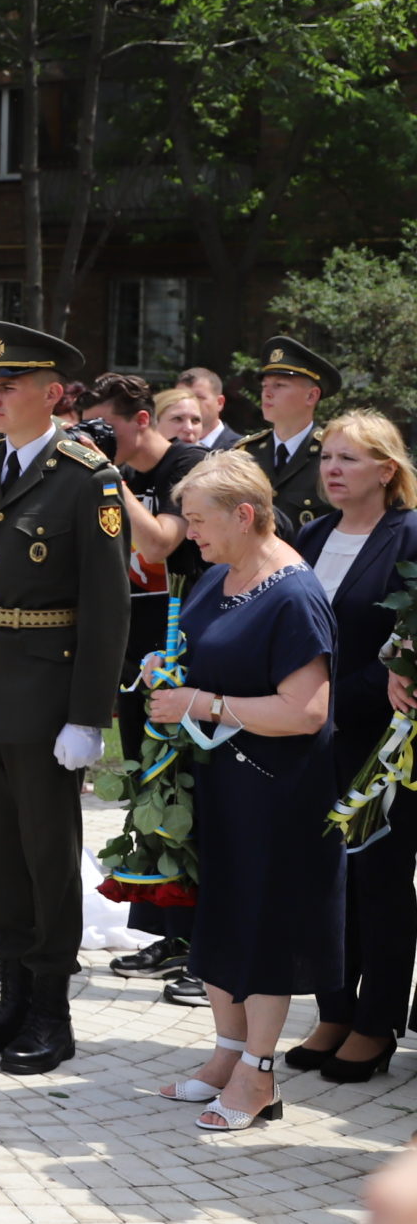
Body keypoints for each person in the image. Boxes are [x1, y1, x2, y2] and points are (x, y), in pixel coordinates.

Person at [0, 322, 129, 1076]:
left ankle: (51, 1009)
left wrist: (88, 715)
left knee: (48, 855)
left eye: (10, 385)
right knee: (0, 854)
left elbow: (108, 608)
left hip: (48, 693)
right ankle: (11, 994)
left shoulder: (89, 477)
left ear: (53, 395)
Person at [146, 450, 342, 1132]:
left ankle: (260, 1074)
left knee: (263, 929)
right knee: (223, 919)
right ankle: (226, 1055)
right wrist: (165, 670)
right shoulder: (219, 574)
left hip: (278, 793)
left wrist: (200, 701)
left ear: (246, 514)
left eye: (198, 519)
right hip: (225, 784)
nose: (187, 531)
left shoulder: (293, 593)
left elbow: (306, 710)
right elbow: (203, 651)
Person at [287, 412, 417, 1084]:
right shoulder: (313, 532)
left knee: (379, 881)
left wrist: (335, 700)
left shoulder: (411, 535)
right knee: (322, 880)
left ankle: (376, 1021)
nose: (332, 468)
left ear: (386, 470)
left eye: (350, 459)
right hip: (311, 737)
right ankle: (334, 1009)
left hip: (379, 738)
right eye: (327, 456)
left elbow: (405, 639)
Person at [78, 372, 213, 996]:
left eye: (108, 426)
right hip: (140, 652)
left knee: (191, 797)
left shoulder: (191, 466)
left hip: (194, 650)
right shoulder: (124, 474)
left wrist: (107, 475)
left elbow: (160, 542)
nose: (101, 440)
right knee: (150, 797)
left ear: (140, 420)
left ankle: (206, 951)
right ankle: (168, 935)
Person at [242, 337, 340, 534]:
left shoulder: (332, 453)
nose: (267, 393)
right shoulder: (245, 454)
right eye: (264, 386)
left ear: (311, 396)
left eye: (279, 385)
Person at [179, 367, 246, 451]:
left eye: (198, 397)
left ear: (219, 403)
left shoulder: (241, 450)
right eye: (182, 397)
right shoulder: (167, 448)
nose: (188, 404)